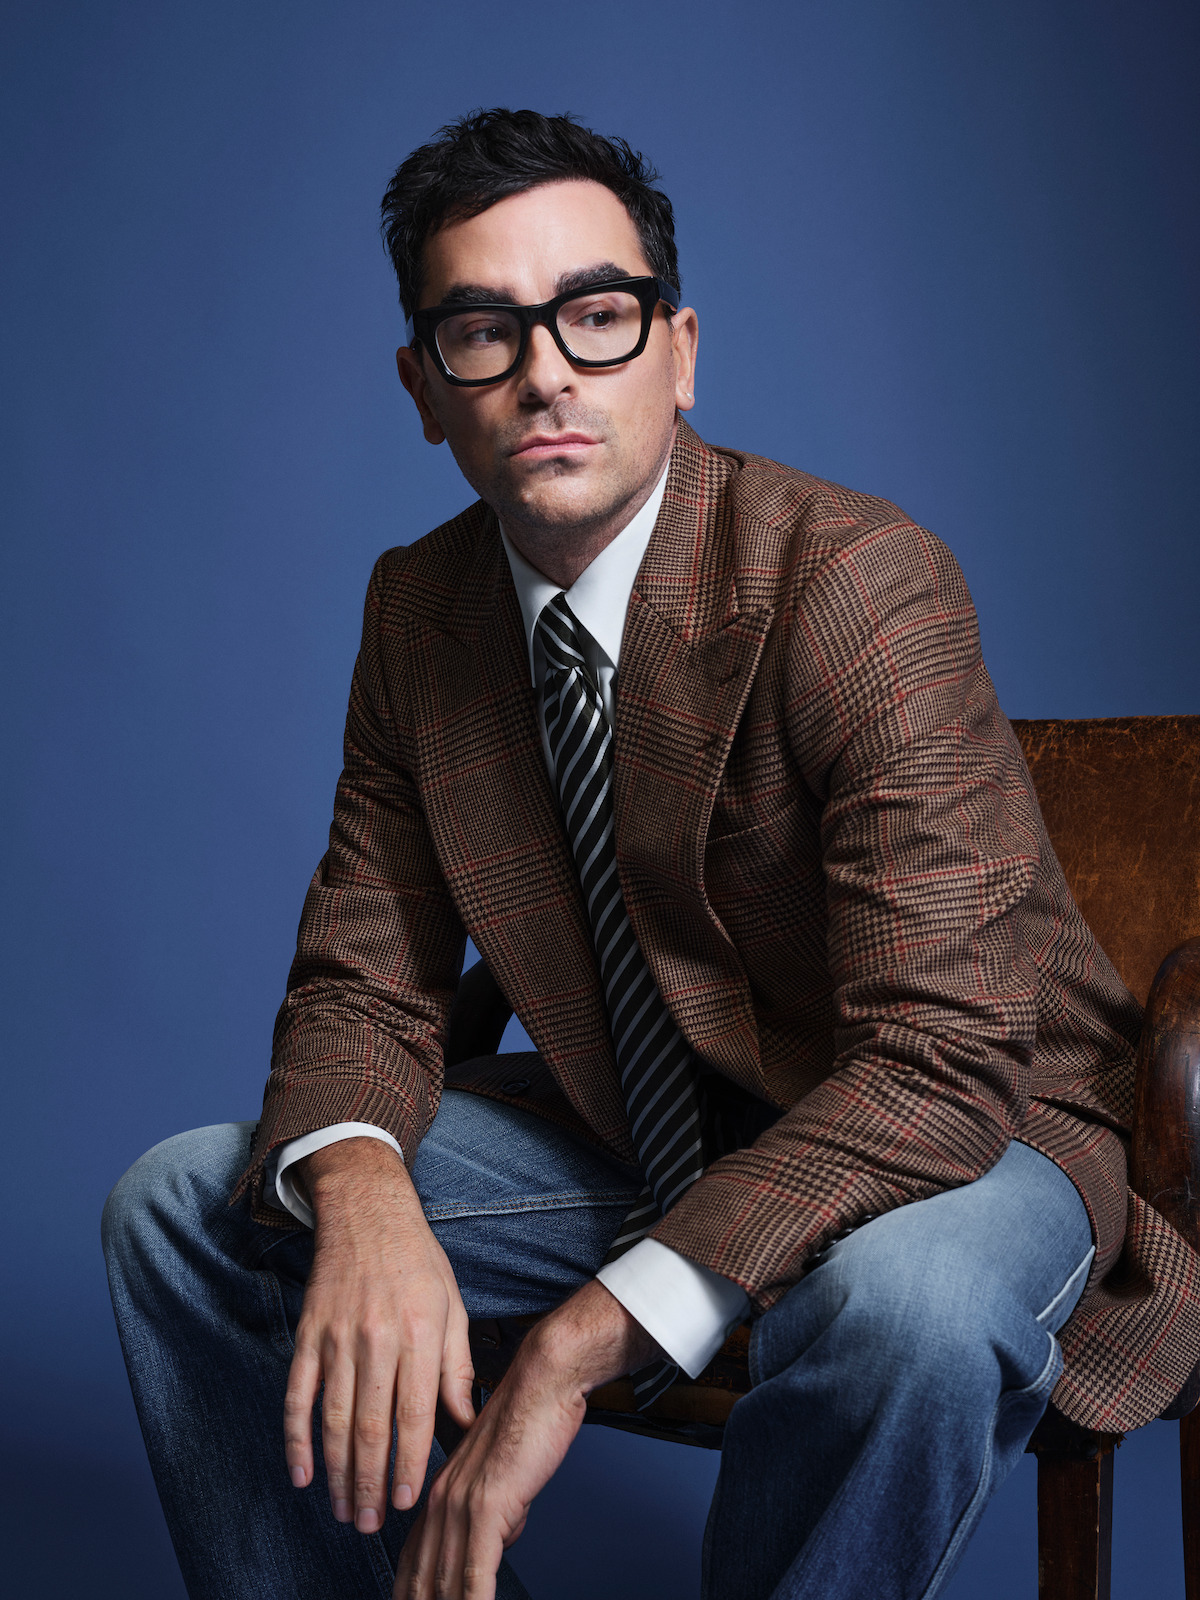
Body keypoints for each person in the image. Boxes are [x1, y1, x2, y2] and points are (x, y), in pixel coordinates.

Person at [102, 108, 1199, 1600]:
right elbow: (364, 979)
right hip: (646, 1128)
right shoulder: (419, 612)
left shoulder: (855, 580)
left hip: (965, 1129)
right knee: (184, 1206)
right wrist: (360, 1197)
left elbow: (941, 1059)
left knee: (909, 1307)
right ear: (423, 387)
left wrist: (572, 1347)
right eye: (483, 330)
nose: (546, 371)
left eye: (597, 315)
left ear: (678, 352)